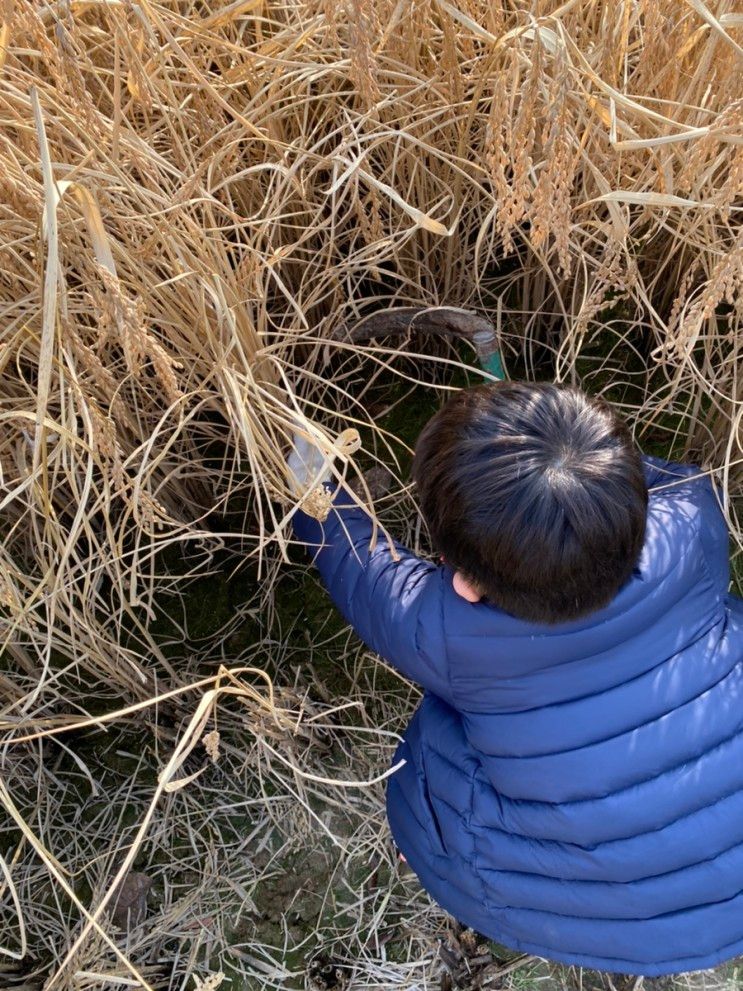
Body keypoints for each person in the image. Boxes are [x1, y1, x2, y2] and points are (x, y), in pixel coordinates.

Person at [287, 381, 743, 977]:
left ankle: (433, 854)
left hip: (591, 912)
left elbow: (357, 562)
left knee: (437, 750)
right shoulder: (695, 517)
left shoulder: (448, 631)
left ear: (463, 579)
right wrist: (561, 466)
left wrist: (304, 474)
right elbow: (654, 477)